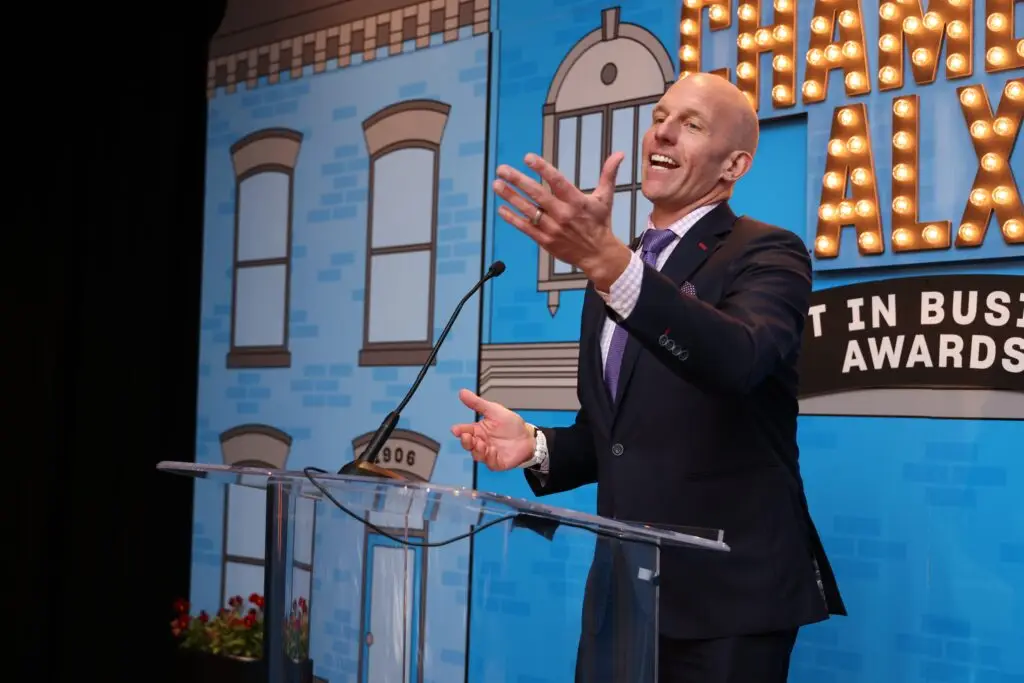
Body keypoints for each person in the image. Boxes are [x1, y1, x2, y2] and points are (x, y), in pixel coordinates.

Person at [451, 73, 846, 683]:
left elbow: (736, 361)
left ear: (734, 164)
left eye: (691, 124)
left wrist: (612, 265)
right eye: (661, 115)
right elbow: (616, 434)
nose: (662, 130)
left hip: (728, 602)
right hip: (622, 598)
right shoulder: (616, 266)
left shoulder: (767, 253)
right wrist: (535, 444)